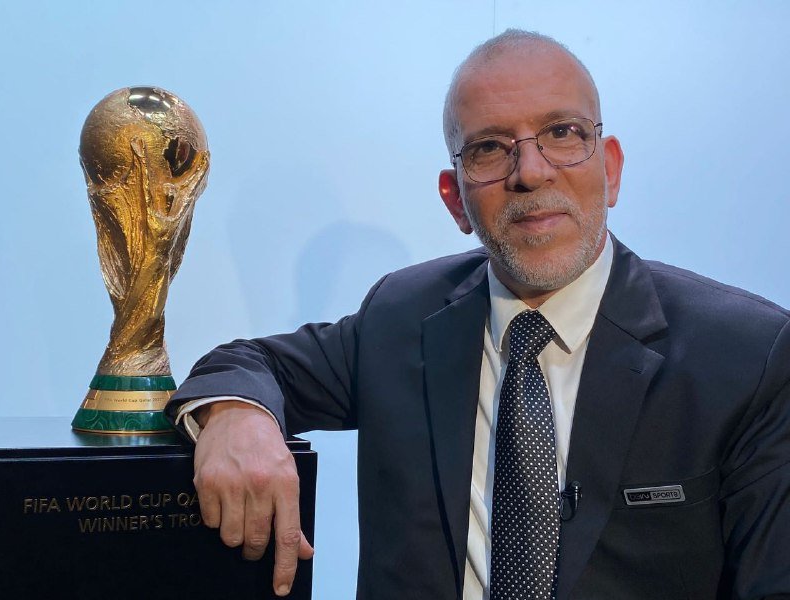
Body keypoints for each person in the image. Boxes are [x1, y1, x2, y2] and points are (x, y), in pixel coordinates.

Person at [166, 29, 790, 599]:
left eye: (563, 133)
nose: (531, 173)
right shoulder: (400, 318)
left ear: (611, 169)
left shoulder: (748, 356)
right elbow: (250, 363)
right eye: (490, 148)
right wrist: (237, 414)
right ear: (455, 200)